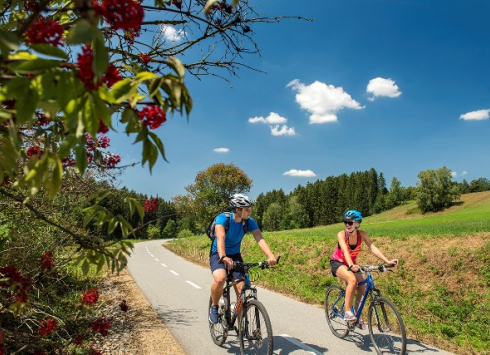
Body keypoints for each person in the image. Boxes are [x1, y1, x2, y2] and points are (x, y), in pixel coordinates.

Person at [209, 193, 277, 324]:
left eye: (249, 208)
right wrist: (223, 256)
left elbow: (259, 238)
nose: (249, 211)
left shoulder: (248, 221)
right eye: (247, 209)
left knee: (242, 292)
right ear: (237, 210)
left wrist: (270, 256)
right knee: (220, 279)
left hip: (235, 255)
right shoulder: (222, 219)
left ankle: (240, 328)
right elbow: (220, 238)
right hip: (218, 253)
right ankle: (214, 305)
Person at [330, 209, 398, 323]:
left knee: (362, 287)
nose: (347, 225)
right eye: (345, 222)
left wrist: (387, 261)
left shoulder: (362, 235)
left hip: (351, 264)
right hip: (338, 263)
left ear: (357, 223)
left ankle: (355, 314)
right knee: (352, 280)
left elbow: (372, 247)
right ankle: (347, 312)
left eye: (350, 222)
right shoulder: (341, 234)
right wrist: (351, 265)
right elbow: (345, 250)